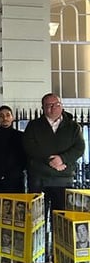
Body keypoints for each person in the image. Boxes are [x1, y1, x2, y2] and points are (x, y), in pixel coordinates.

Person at [23, 93, 85, 245]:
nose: (52, 108)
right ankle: (39, 248)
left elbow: (80, 147)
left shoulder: (73, 127)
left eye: (55, 104)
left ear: (61, 105)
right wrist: (50, 160)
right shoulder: (34, 126)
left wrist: (63, 159)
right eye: (48, 105)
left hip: (63, 179)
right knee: (38, 219)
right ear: (43, 108)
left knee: (61, 218)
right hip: (39, 179)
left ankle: (60, 247)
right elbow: (29, 146)